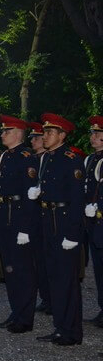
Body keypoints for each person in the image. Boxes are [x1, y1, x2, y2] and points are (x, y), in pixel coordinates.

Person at [34, 113, 84, 346]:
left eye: (50, 132)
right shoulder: (48, 158)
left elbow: (77, 199)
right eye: (44, 132)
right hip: (48, 220)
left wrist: (73, 234)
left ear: (62, 135)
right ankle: (60, 327)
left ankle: (72, 332)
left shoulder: (71, 158)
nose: (45, 136)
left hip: (64, 223)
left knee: (67, 280)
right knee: (54, 277)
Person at [0, 115, 38, 334]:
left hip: (18, 218)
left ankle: (25, 318)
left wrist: (25, 229)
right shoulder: (6, 157)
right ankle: (16, 311)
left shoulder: (26, 156)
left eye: (6, 131)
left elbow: (30, 195)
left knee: (23, 270)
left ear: (18, 133)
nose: (2, 134)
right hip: (5, 215)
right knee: (9, 268)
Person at [28, 122, 52, 315]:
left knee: (48, 261)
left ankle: (51, 299)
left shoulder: (48, 160)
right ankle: (45, 297)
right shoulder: (34, 159)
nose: (34, 141)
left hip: (47, 217)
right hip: (34, 217)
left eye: (37, 137)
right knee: (39, 262)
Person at [83, 115, 103, 328]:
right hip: (93, 224)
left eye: (98, 133)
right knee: (98, 270)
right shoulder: (90, 160)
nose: (93, 136)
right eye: (92, 133)